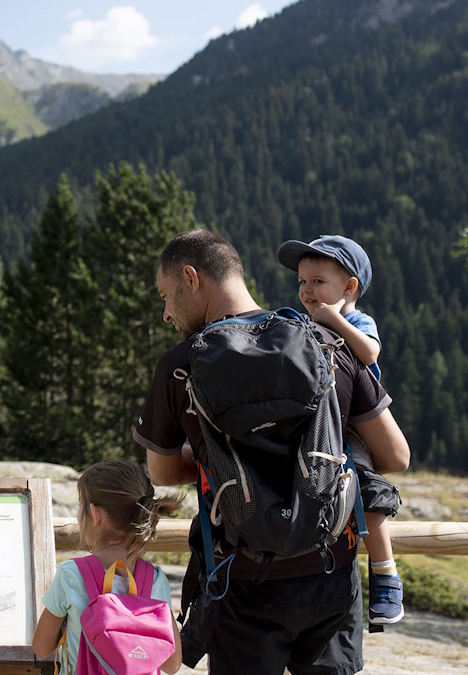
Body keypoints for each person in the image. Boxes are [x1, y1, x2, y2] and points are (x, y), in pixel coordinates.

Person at [133, 229, 410, 674]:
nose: (167, 313)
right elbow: (396, 455)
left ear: (191, 277)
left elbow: (163, 472)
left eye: (167, 296)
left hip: (241, 582)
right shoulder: (328, 343)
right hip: (329, 573)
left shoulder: (179, 366)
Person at [276, 234, 405, 625]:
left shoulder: (358, 321)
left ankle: (385, 572)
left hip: (353, 430)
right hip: (316, 425)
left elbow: (368, 354)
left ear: (349, 288)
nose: (306, 291)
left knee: (367, 490)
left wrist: (333, 320)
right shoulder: (304, 321)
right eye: (302, 282)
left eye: (317, 281)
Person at [31, 459, 184, 675]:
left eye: (80, 506)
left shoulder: (71, 575)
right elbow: (172, 664)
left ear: (95, 514)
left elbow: (41, 647)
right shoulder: (156, 580)